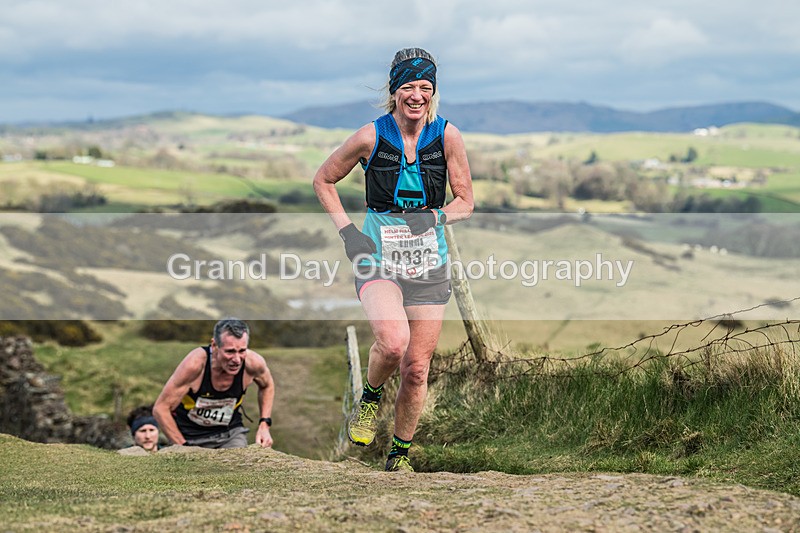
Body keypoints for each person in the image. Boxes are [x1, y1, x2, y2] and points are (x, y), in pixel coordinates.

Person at [313, 47, 474, 472]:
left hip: (428, 263)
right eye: (408, 86)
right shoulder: (371, 135)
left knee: (417, 369)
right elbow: (323, 179)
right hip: (378, 260)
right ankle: (369, 398)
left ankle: (398, 456)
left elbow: (466, 202)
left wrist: (436, 216)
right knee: (393, 342)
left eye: (425, 87)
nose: (417, 95)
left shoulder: (447, 136)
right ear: (394, 90)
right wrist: (348, 233)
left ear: (434, 92)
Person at [153, 318, 275, 449]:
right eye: (230, 351)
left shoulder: (253, 363)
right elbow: (160, 409)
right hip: (189, 437)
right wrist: (183, 447)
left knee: (237, 466)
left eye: (242, 351)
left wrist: (264, 424)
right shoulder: (195, 365)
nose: (237, 360)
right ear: (214, 345)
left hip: (230, 434)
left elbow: (267, 386)